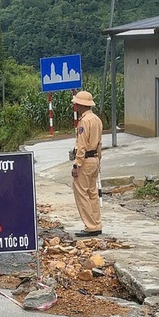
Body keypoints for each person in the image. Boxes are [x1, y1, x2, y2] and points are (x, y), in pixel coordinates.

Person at [70, 91, 103, 237]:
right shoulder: (96, 119)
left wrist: (77, 164)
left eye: (76, 103)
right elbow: (100, 143)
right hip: (94, 159)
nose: (74, 105)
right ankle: (96, 223)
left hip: (85, 161)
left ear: (81, 105)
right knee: (93, 193)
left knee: (81, 193)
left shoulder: (84, 121)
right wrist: (99, 161)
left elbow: (82, 145)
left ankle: (90, 226)